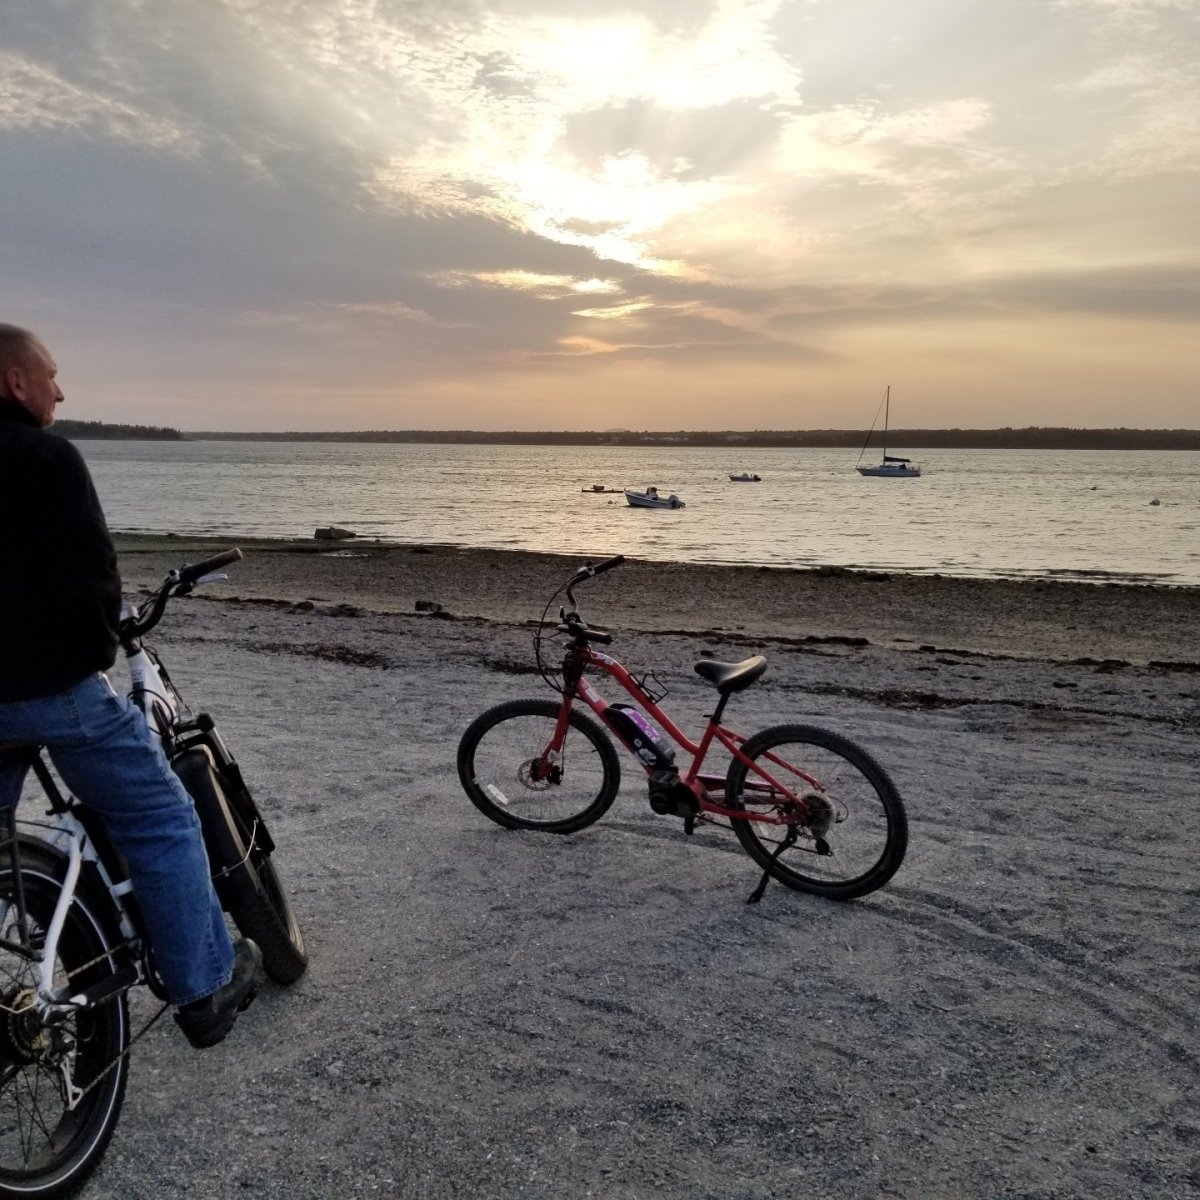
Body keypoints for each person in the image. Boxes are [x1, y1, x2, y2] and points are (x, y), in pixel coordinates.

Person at [0, 323, 262, 1048]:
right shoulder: (44, 457)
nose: (60, 389)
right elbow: (89, 575)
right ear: (15, 384)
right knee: (160, 818)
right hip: (50, 691)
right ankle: (203, 988)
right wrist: (96, 653)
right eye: (49, 376)